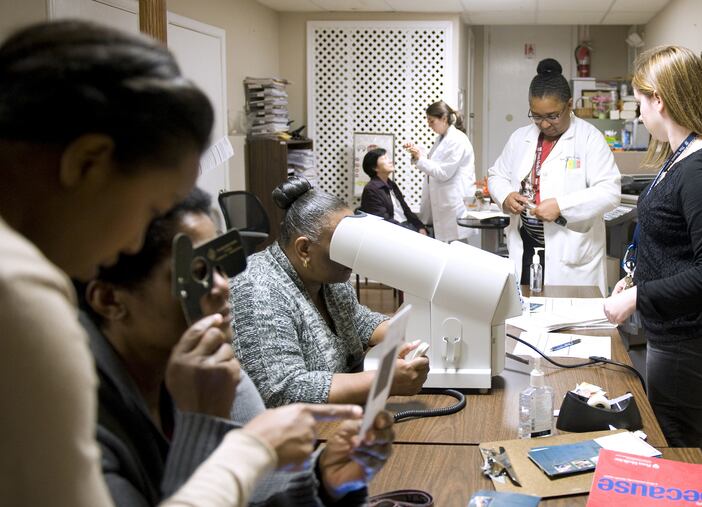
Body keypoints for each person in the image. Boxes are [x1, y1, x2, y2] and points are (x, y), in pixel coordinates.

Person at [0, 20, 357, 507]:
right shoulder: (21, 296)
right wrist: (239, 446)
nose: (130, 240)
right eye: (151, 207)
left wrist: (322, 479)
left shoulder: (196, 361)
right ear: (86, 163)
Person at [79, 188, 394, 506]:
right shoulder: (79, 431)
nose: (223, 287)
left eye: (221, 267)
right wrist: (204, 426)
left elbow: (260, 493)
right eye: (197, 273)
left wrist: (324, 481)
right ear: (110, 300)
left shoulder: (212, 371)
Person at [603, 45, 702, 448]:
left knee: (674, 442)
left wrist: (638, 299)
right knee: (667, 426)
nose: (639, 114)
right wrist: (636, 278)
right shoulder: (680, 155)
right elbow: (674, 241)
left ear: (660, 99)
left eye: (640, 103)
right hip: (678, 326)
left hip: (695, 334)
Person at [231, 176, 430, 407]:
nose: (351, 256)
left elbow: (356, 319)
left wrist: (409, 335)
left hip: (338, 417)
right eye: (341, 245)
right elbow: (282, 390)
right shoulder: (258, 290)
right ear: (304, 249)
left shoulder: (328, 277)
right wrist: (382, 381)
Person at [487, 59, 620, 295]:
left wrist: (561, 206)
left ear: (570, 105)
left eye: (552, 116)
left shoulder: (589, 138)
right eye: (536, 116)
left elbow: (609, 192)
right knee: (527, 316)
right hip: (527, 246)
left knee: (568, 322)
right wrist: (505, 195)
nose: (545, 124)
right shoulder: (521, 137)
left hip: (570, 250)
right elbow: (497, 174)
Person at [403, 101, 476, 242]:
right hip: (445, 202)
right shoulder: (441, 139)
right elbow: (435, 164)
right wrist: (418, 154)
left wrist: (420, 159)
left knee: (457, 249)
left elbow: (443, 173)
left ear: (443, 118)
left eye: (431, 121)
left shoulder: (457, 140)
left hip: (453, 203)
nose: (429, 125)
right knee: (448, 248)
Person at [360, 147, 427, 235]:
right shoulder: (372, 189)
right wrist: (409, 233)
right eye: (384, 158)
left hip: (406, 227)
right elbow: (383, 221)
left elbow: (406, 210)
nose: (390, 161)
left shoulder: (391, 184)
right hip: (395, 232)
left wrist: (420, 227)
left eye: (388, 158)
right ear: (375, 168)